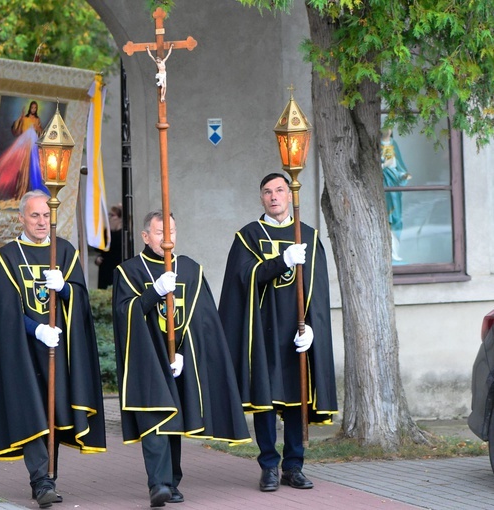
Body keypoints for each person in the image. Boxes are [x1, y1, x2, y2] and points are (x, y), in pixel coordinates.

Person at [0, 190, 106, 509]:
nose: (42, 221)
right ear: (21, 218)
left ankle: (49, 478)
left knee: (53, 413)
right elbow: (5, 313)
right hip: (22, 352)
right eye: (35, 215)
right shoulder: (7, 257)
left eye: (46, 216)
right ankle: (40, 479)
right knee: (31, 410)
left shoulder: (66, 253)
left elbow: (82, 302)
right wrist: (37, 329)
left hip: (59, 351)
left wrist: (67, 288)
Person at [113, 210, 251, 507]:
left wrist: (185, 354)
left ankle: (172, 481)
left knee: (173, 421)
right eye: (160, 233)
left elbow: (204, 321)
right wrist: (154, 293)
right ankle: (158, 484)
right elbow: (125, 315)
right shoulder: (129, 271)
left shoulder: (189, 270)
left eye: (172, 231)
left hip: (179, 360)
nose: (167, 238)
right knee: (154, 419)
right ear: (146, 236)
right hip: (147, 359)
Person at [218, 173, 338, 492]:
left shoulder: (308, 237)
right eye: (267, 192)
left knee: (298, 400)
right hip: (262, 332)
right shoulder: (248, 236)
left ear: (289, 195)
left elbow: (319, 291)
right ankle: (269, 465)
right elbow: (243, 278)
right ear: (261, 199)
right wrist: (281, 261)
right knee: (266, 401)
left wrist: (313, 328)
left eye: (280, 191)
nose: (274, 196)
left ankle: (294, 466)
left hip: (295, 333)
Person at [0, 100, 48, 208]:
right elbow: (16, 130)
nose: (33, 109)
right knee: (21, 170)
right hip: (23, 145)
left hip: (33, 148)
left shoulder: (37, 120)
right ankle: (19, 194)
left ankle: (28, 196)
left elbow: (41, 134)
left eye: (35, 108)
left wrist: (39, 129)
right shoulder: (24, 118)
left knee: (30, 171)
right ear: (30, 109)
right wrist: (20, 118)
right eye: (32, 108)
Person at [380, 127, 411, 262]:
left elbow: (399, 163)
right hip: (384, 181)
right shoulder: (377, 144)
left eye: (390, 127)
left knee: (396, 217)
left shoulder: (393, 143)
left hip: (394, 182)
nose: (388, 130)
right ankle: (388, 252)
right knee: (387, 218)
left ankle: (396, 251)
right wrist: (384, 165)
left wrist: (403, 174)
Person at [94, 203, 123, 289]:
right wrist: (98, 258)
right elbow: (99, 248)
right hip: (105, 268)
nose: (109, 218)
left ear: (119, 218)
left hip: (117, 266)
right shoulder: (106, 232)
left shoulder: (124, 233)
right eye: (109, 215)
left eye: (112, 215)